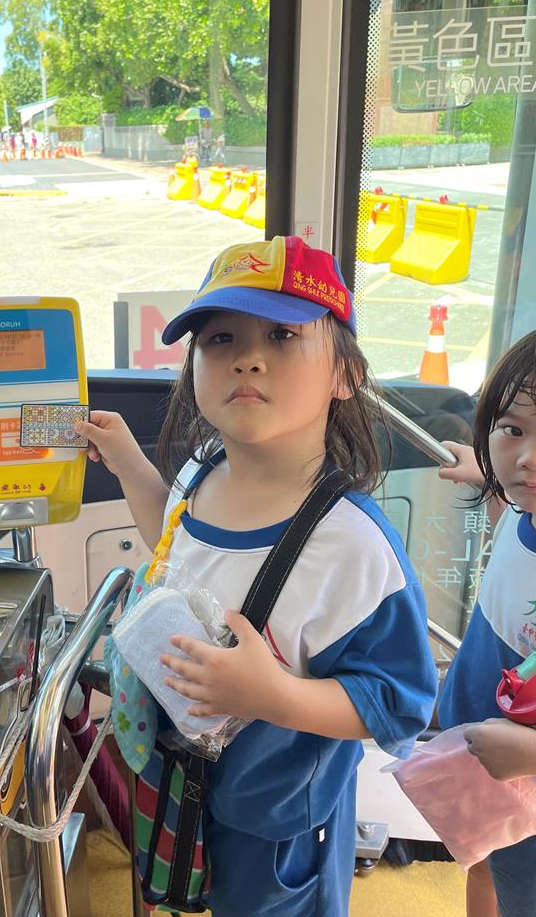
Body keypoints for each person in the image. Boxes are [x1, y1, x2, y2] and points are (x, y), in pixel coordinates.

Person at [75, 236, 437, 917]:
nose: (247, 357)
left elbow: (397, 703)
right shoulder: (201, 470)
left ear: (345, 373)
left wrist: (272, 694)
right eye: (220, 339)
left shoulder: (353, 547)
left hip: (277, 822)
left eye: (281, 335)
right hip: (180, 776)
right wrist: (127, 463)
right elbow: (174, 548)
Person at [438, 330, 536, 917]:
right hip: (481, 742)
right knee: (481, 859)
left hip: (525, 777)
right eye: (512, 430)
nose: (528, 459)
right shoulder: (522, 513)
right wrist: (487, 478)